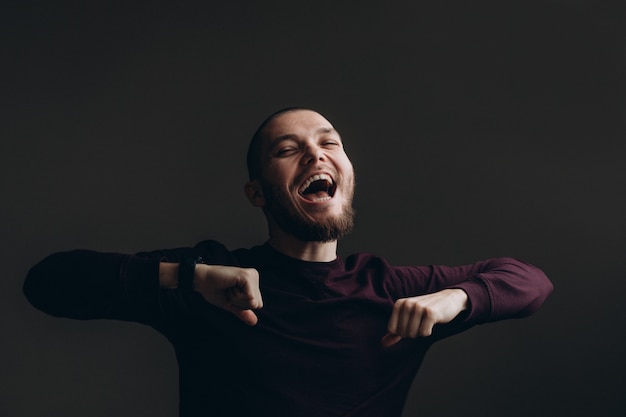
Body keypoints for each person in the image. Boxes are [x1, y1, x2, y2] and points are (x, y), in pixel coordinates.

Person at [24, 108, 553, 417]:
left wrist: (455, 298)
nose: (316, 154)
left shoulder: (389, 286)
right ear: (257, 193)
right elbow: (47, 282)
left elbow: (530, 282)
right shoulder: (211, 278)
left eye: (330, 144)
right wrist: (187, 277)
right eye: (288, 149)